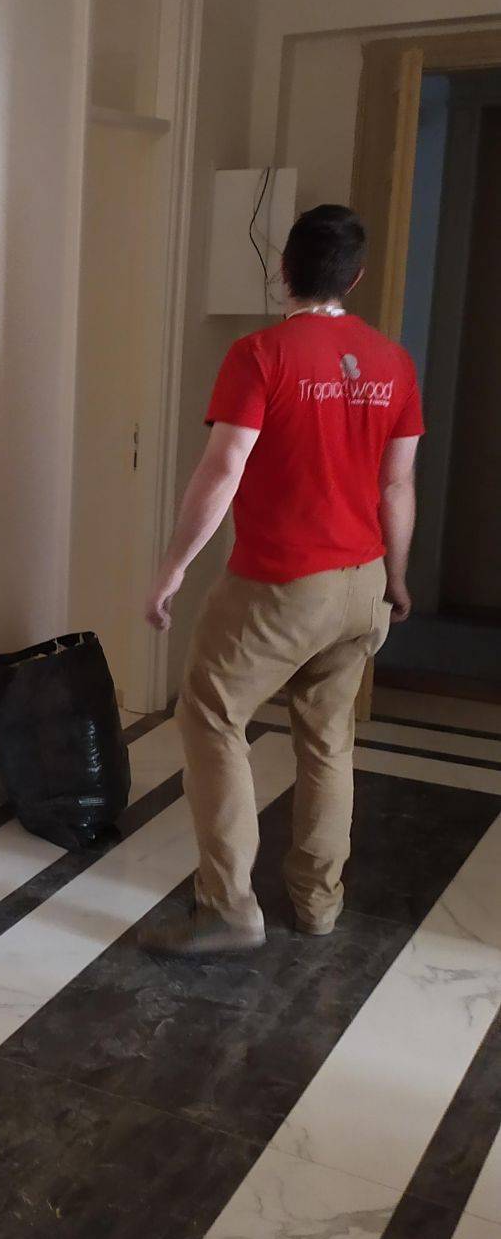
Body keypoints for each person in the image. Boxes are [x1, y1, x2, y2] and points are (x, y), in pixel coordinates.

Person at [138, 204, 423, 954]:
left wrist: (172, 568)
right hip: (361, 582)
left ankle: (227, 909)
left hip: (283, 583)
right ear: (355, 278)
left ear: (284, 270)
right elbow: (397, 485)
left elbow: (223, 467)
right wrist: (395, 578)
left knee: (209, 713)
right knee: (328, 739)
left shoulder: (260, 354)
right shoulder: (393, 363)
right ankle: (318, 904)